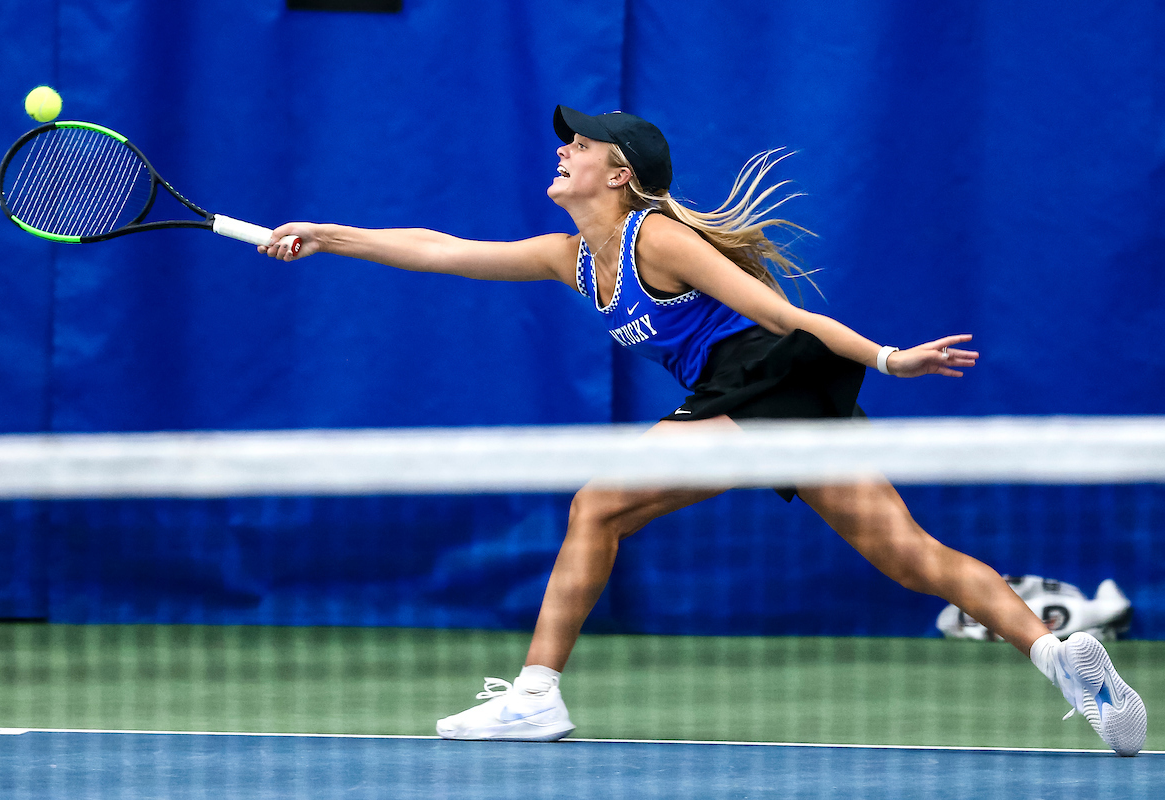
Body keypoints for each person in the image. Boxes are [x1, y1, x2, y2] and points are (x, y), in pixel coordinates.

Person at [260, 106, 1147, 756]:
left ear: (620, 175)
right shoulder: (571, 257)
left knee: (597, 505)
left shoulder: (661, 241)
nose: (564, 149)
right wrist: (327, 234)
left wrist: (887, 360)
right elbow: (439, 247)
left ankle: (536, 693)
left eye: (583, 144)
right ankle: (1057, 655)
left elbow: (779, 313)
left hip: (765, 383)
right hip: (781, 400)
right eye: (565, 140)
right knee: (907, 554)